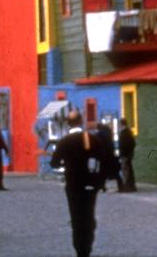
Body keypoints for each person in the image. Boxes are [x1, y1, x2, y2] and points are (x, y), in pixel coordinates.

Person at [51, 110, 106, 257]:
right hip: (90, 184)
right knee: (89, 214)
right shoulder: (91, 139)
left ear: (68, 123)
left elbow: (54, 163)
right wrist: (100, 182)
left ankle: (79, 249)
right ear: (81, 121)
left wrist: (65, 164)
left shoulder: (64, 141)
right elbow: (103, 160)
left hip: (73, 185)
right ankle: (88, 246)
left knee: (76, 216)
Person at [95, 121, 121, 192]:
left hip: (102, 157)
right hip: (110, 155)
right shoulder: (108, 133)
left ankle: (101, 186)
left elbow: (97, 146)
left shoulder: (98, 134)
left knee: (102, 173)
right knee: (114, 172)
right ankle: (120, 185)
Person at [117, 119, 137, 192]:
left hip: (125, 155)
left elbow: (122, 145)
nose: (118, 125)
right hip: (128, 154)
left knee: (126, 171)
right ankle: (131, 186)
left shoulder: (124, 132)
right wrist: (130, 153)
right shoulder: (129, 131)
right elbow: (133, 143)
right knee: (129, 170)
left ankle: (128, 187)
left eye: (119, 124)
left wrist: (123, 153)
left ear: (121, 124)